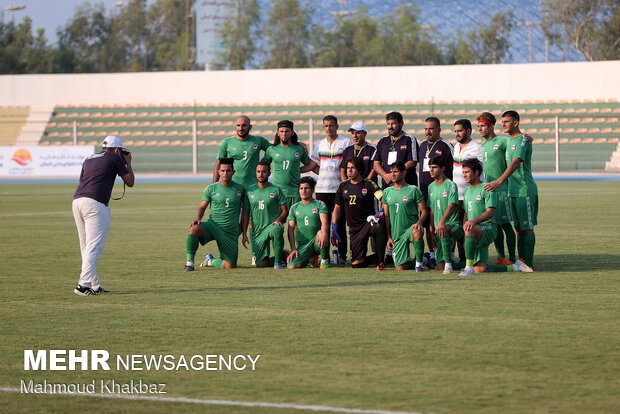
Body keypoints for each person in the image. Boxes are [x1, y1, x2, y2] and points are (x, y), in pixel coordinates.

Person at [72, 135, 134, 296]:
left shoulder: (89, 158)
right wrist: (128, 162)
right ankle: (83, 285)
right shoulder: (114, 157)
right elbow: (130, 181)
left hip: (77, 200)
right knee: (94, 246)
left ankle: (93, 284)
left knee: (86, 246)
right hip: (95, 204)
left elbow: (83, 179)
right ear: (116, 149)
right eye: (120, 150)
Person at [483, 111, 538, 269]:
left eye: (507, 121)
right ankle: (521, 261)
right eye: (502, 121)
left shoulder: (521, 140)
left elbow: (514, 163)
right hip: (513, 190)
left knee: (526, 228)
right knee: (519, 228)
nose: (503, 124)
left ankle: (529, 263)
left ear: (516, 123)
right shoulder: (509, 141)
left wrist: (499, 181)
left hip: (524, 190)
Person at [459, 159, 533, 276]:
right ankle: (515, 267)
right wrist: (465, 225)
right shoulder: (467, 191)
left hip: (488, 228)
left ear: (477, 172)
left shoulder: (486, 188)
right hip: (474, 229)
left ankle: (467, 269)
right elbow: (466, 213)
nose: (464, 175)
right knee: (480, 270)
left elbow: (491, 212)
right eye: (463, 172)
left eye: (467, 172)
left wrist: (473, 222)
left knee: (470, 229)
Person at [185, 158, 249, 271]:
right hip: (213, 226)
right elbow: (202, 207)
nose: (225, 173)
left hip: (230, 232)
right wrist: (197, 218)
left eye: (228, 170)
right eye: (223, 170)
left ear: (233, 172)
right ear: (218, 172)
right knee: (194, 229)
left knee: (229, 266)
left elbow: (245, 212)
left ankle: (210, 261)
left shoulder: (240, 189)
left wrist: (244, 232)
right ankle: (189, 263)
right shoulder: (211, 188)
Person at [332, 157, 387, 270]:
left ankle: (381, 261)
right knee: (356, 264)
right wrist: (334, 227)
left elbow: (384, 199)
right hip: (354, 228)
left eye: (352, 168)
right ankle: (374, 257)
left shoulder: (368, 184)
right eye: (348, 168)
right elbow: (337, 208)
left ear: (359, 169)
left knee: (378, 225)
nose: (349, 171)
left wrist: (380, 213)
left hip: (368, 223)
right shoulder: (343, 186)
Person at [477, 112, 517, 265]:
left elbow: (517, 143)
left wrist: (526, 139)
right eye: (478, 126)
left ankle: (512, 258)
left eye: (483, 126)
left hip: (502, 190)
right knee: (496, 225)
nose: (480, 129)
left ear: (491, 126)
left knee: (506, 225)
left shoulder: (502, 141)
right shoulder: (484, 145)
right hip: (489, 191)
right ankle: (501, 257)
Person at [311, 115, 352, 264]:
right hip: (322, 190)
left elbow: (348, 165)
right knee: (324, 225)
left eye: (331, 125)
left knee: (340, 224)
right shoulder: (319, 144)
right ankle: (325, 256)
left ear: (337, 126)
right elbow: (313, 165)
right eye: (326, 126)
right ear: (323, 128)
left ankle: (342, 256)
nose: (329, 128)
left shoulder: (345, 142)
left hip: (338, 189)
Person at [417, 117, 454, 267]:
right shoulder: (422, 146)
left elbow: (453, 168)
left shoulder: (446, 146)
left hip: (442, 191)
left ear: (439, 130)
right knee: (428, 225)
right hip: (425, 190)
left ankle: (448, 254)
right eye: (426, 129)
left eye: (431, 128)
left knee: (443, 223)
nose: (428, 131)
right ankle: (432, 254)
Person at [382, 161, 428, 271]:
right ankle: (425, 260)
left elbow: (424, 211)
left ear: (404, 172)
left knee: (417, 231)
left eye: (396, 172)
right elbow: (386, 216)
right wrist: (389, 237)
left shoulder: (413, 190)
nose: (393, 174)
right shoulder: (387, 192)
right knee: (401, 268)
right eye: (391, 172)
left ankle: (419, 264)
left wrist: (419, 223)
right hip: (397, 234)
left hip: (411, 229)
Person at [262, 120, 317, 209]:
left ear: (292, 133)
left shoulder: (299, 149)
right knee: (277, 221)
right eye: (282, 131)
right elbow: (263, 166)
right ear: (277, 133)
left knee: (295, 221)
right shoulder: (271, 149)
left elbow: (309, 164)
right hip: (277, 192)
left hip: (294, 192)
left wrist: (297, 170)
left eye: (287, 131)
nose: (284, 134)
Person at [246, 162, 288, 269]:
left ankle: (277, 263)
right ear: (255, 173)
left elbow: (285, 210)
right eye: (259, 172)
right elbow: (245, 211)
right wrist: (247, 225)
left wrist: (278, 220)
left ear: (269, 173)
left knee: (277, 229)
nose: (261, 174)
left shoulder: (276, 189)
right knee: (260, 264)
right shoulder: (249, 190)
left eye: (264, 171)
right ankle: (283, 255)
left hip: (271, 226)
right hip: (256, 230)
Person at [427, 156, 463, 275]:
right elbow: (432, 210)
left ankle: (449, 266)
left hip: (453, 225)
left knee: (444, 229)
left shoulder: (450, 185)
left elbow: (452, 205)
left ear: (442, 168)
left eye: (435, 167)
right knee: (439, 267)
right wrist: (431, 229)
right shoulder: (430, 187)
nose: (431, 170)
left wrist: (441, 222)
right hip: (439, 229)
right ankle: (467, 265)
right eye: (430, 167)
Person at [214, 115, 271, 187]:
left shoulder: (258, 140)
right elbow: (218, 164)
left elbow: (273, 150)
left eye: (244, 125)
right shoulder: (227, 142)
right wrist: (214, 185)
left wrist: (265, 161)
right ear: (235, 126)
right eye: (238, 125)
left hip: (253, 186)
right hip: (233, 186)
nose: (240, 128)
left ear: (250, 127)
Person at [287, 176, 330, 269]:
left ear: (312, 190)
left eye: (306, 188)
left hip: (317, 242)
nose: (303, 191)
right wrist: (293, 249)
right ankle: (311, 259)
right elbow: (290, 229)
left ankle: (325, 261)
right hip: (303, 245)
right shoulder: (294, 207)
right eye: (301, 188)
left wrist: (324, 233)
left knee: (321, 232)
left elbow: (325, 223)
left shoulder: (319, 204)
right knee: (292, 266)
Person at [373, 111, 419, 188]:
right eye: (388, 124)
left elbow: (412, 162)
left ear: (401, 123)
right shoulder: (382, 141)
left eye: (394, 123)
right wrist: (386, 176)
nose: (390, 127)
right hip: (387, 185)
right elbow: (376, 164)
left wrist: (394, 175)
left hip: (406, 186)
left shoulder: (409, 139)